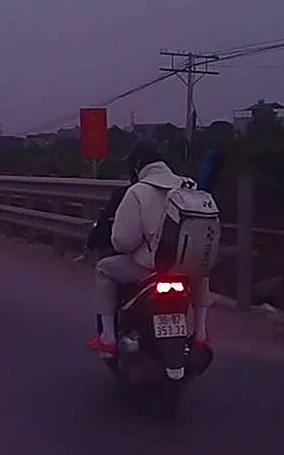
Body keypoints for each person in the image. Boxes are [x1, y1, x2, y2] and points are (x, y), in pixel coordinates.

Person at [87, 138, 212, 355]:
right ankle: (201, 332)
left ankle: (107, 337)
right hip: (187, 266)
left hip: (151, 267)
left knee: (104, 269)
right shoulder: (190, 185)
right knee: (201, 271)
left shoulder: (137, 191)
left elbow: (123, 242)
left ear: (138, 165)